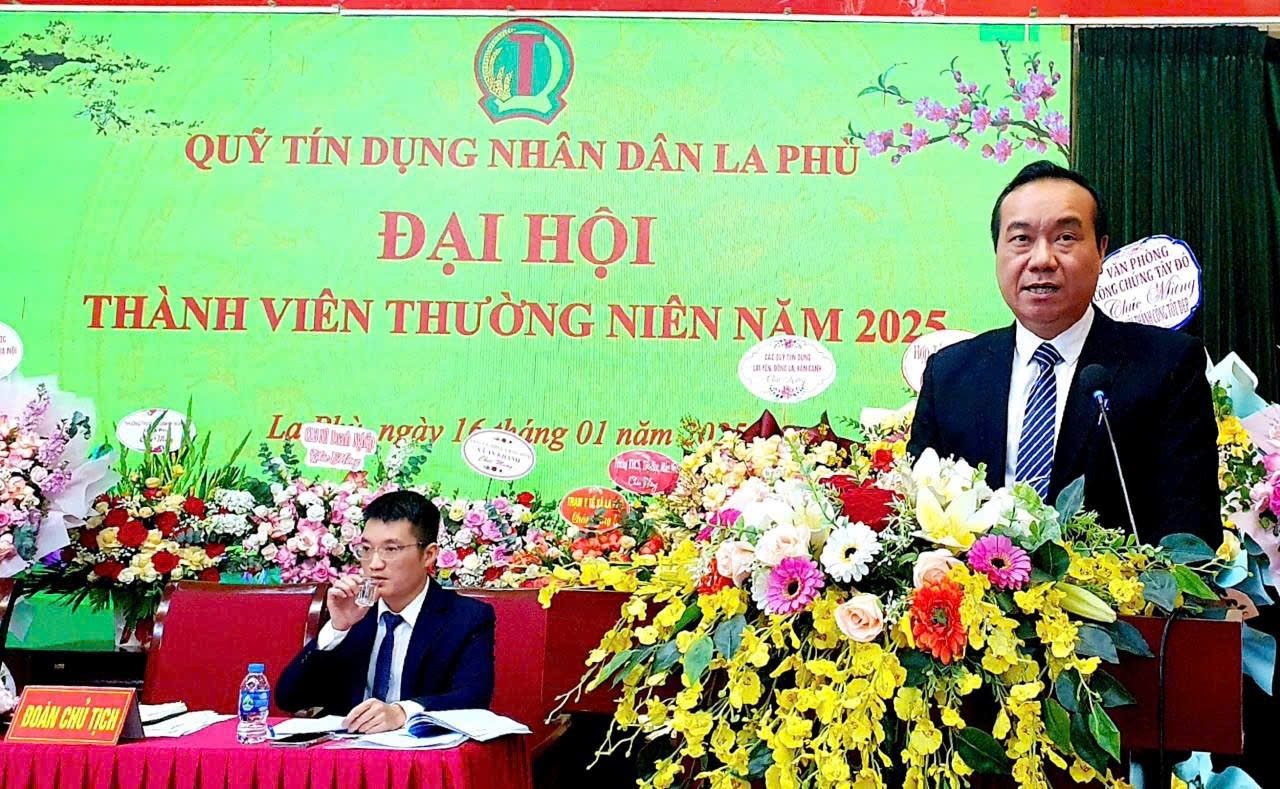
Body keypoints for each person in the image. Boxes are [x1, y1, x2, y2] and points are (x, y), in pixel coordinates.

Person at [907, 160, 1219, 545]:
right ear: (997, 251)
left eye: (1065, 237)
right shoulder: (951, 374)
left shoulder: (1166, 366)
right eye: (1021, 239)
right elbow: (917, 517)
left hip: (1120, 583)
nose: (1041, 260)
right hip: (975, 582)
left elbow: (1190, 528)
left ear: (1101, 250)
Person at [276, 490, 495, 732]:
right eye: (366, 549)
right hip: (349, 749)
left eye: (390, 550)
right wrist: (337, 628)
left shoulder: (465, 618)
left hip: (420, 750)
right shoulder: (353, 610)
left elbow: (472, 698)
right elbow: (290, 699)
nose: (374, 564)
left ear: (429, 555)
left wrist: (401, 712)